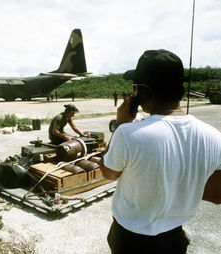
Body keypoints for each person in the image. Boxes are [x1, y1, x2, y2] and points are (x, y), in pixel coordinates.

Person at [91, 49, 221, 253]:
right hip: (174, 240)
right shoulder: (214, 136)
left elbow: (108, 172)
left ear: (144, 90)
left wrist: (119, 125)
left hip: (131, 241)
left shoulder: (128, 133)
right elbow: (216, 195)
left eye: (134, 88)